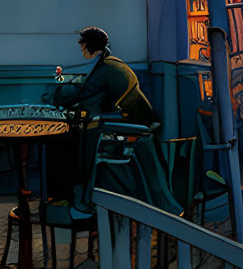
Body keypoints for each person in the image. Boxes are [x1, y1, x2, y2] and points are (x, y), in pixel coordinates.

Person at [47, 26, 161, 208]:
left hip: (127, 128)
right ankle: (73, 195)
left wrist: (60, 95)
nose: (81, 51)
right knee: (73, 137)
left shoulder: (103, 69)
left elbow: (85, 96)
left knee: (65, 143)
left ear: (88, 46)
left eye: (82, 46)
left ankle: (74, 196)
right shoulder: (110, 62)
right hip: (135, 121)